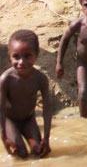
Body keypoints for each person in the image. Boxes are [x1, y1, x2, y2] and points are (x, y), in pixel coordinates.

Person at [0, 30, 52, 158]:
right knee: (21, 154)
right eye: (16, 56)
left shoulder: (40, 79)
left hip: (28, 119)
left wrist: (46, 137)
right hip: (9, 120)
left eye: (27, 56)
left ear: (37, 54)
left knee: (39, 152)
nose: (22, 62)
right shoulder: (6, 79)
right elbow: (0, 110)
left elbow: (47, 109)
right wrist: (4, 137)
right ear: (9, 56)